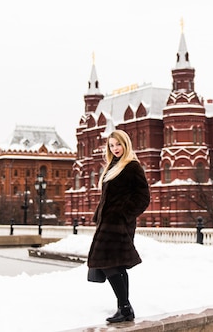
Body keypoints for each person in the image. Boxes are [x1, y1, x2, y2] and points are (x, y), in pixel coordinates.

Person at [87, 129, 151, 324]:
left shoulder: (132, 167)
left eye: (118, 144)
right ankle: (124, 308)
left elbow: (143, 198)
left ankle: (124, 307)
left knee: (108, 264)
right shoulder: (112, 166)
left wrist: (123, 215)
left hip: (119, 225)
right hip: (108, 224)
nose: (115, 148)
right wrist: (100, 216)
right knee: (117, 265)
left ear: (126, 144)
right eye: (112, 145)